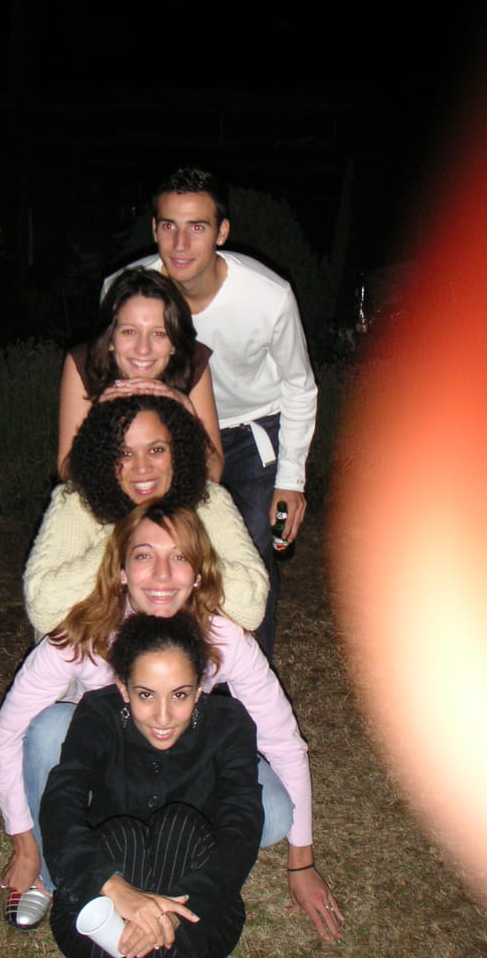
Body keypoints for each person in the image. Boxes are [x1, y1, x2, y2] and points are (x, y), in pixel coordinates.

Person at [0, 503, 344, 944]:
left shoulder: (223, 637)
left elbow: (283, 742)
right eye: (144, 556)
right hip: (106, 762)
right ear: (120, 569)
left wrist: (301, 862)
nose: (161, 574)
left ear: (198, 573)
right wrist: (23, 840)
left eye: (179, 557)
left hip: (181, 762)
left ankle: (168, 842)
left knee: (272, 815)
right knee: (48, 728)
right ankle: (50, 873)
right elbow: (6, 736)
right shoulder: (81, 632)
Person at [102, 166, 318, 661]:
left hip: (251, 432)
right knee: (157, 549)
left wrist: (291, 479)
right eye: (168, 226)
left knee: (247, 554)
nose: (180, 244)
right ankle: (161, 669)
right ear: (154, 228)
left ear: (221, 232)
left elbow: (299, 386)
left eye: (196, 227)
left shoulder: (268, 296)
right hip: (167, 433)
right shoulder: (125, 291)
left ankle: (247, 679)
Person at [42, 611, 263, 958]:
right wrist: (113, 888)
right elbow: (61, 801)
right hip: (104, 885)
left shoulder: (228, 723)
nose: (163, 717)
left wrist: (170, 914)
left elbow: (242, 827)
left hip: (196, 897)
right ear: (123, 688)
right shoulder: (99, 713)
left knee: (180, 825)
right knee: (123, 835)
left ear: (199, 689)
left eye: (179, 695)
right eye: (146, 695)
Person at [24, 392, 268, 641]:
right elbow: (42, 610)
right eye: (125, 454)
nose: (142, 468)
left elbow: (252, 609)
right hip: (95, 653)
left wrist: (186, 544)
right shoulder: (77, 502)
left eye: (156, 450)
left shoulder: (209, 501)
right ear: (104, 457)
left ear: (178, 452)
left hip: (183, 653)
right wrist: (125, 539)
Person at [58, 267, 223, 482]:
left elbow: (213, 473)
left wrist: (188, 412)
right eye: (129, 332)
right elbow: (67, 472)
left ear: (174, 344)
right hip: (106, 491)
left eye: (159, 334)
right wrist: (96, 422)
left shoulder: (191, 363)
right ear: (110, 339)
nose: (143, 349)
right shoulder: (84, 363)